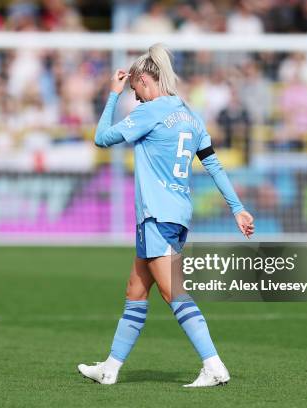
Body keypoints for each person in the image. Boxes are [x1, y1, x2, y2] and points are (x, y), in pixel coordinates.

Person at [77, 44, 254, 387]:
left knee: (174, 292)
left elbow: (101, 138)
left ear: (143, 79)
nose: (136, 98)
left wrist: (113, 95)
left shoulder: (151, 111)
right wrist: (237, 207)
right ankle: (110, 368)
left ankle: (214, 365)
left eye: (134, 90)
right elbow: (213, 164)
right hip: (177, 214)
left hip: (156, 215)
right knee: (135, 290)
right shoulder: (190, 114)